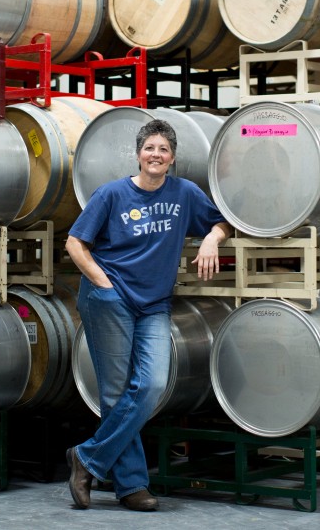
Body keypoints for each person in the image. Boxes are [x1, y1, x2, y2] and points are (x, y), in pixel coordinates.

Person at [64, 118, 232, 512]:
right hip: (110, 299)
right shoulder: (112, 194)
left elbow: (223, 221)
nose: (156, 155)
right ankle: (132, 486)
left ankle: (86, 459)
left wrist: (211, 237)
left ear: (172, 158)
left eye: (164, 150)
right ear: (139, 154)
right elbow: (75, 242)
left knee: (153, 384)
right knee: (116, 392)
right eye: (149, 148)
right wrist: (103, 284)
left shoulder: (185, 193)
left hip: (153, 303)